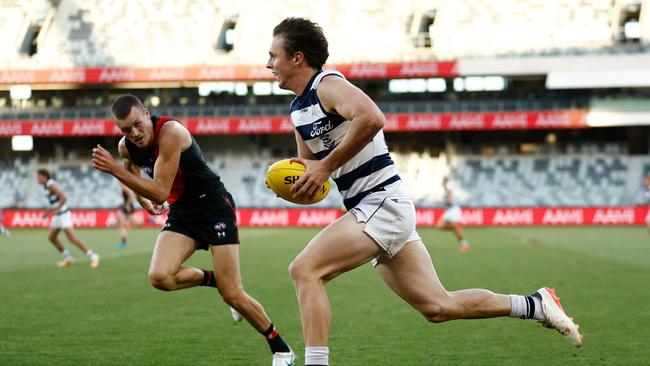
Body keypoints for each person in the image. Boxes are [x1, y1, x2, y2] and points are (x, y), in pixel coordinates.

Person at [266, 17, 583, 366]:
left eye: (273, 56)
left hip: (381, 203)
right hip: (373, 208)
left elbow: (371, 117)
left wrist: (324, 167)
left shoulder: (326, 84)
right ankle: (534, 304)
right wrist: (296, 184)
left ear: (297, 58)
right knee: (437, 306)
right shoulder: (298, 110)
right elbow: (310, 172)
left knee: (304, 270)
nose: (268, 64)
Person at [91, 94, 294, 366]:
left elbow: (160, 190)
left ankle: (281, 349)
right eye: (126, 129)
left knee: (233, 293)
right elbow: (134, 174)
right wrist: (142, 202)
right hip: (183, 214)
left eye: (138, 124)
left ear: (147, 113)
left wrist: (116, 171)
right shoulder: (126, 146)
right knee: (160, 276)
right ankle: (214, 279)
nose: (135, 133)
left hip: (213, 208)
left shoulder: (170, 132)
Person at [37, 169, 100, 268]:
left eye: (39, 177)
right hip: (58, 216)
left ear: (44, 176)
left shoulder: (50, 185)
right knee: (52, 238)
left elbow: (64, 197)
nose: (37, 179)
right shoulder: (46, 186)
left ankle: (93, 256)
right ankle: (68, 258)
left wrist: (57, 209)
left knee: (71, 238)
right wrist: (47, 212)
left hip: (63, 214)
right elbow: (53, 202)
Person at [437, 176, 470, 252]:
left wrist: (441, 202)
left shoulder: (449, 190)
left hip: (454, 210)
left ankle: (465, 245)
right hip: (448, 211)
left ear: (445, 182)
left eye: (443, 181)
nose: (442, 183)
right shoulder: (445, 190)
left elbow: (449, 201)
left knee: (456, 232)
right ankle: (456, 227)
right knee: (440, 226)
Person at [116, 183, 135, 248]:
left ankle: (123, 239)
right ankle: (123, 240)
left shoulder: (125, 187)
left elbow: (130, 196)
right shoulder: (123, 188)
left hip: (127, 206)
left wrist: (128, 205)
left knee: (123, 225)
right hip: (126, 206)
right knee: (124, 225)